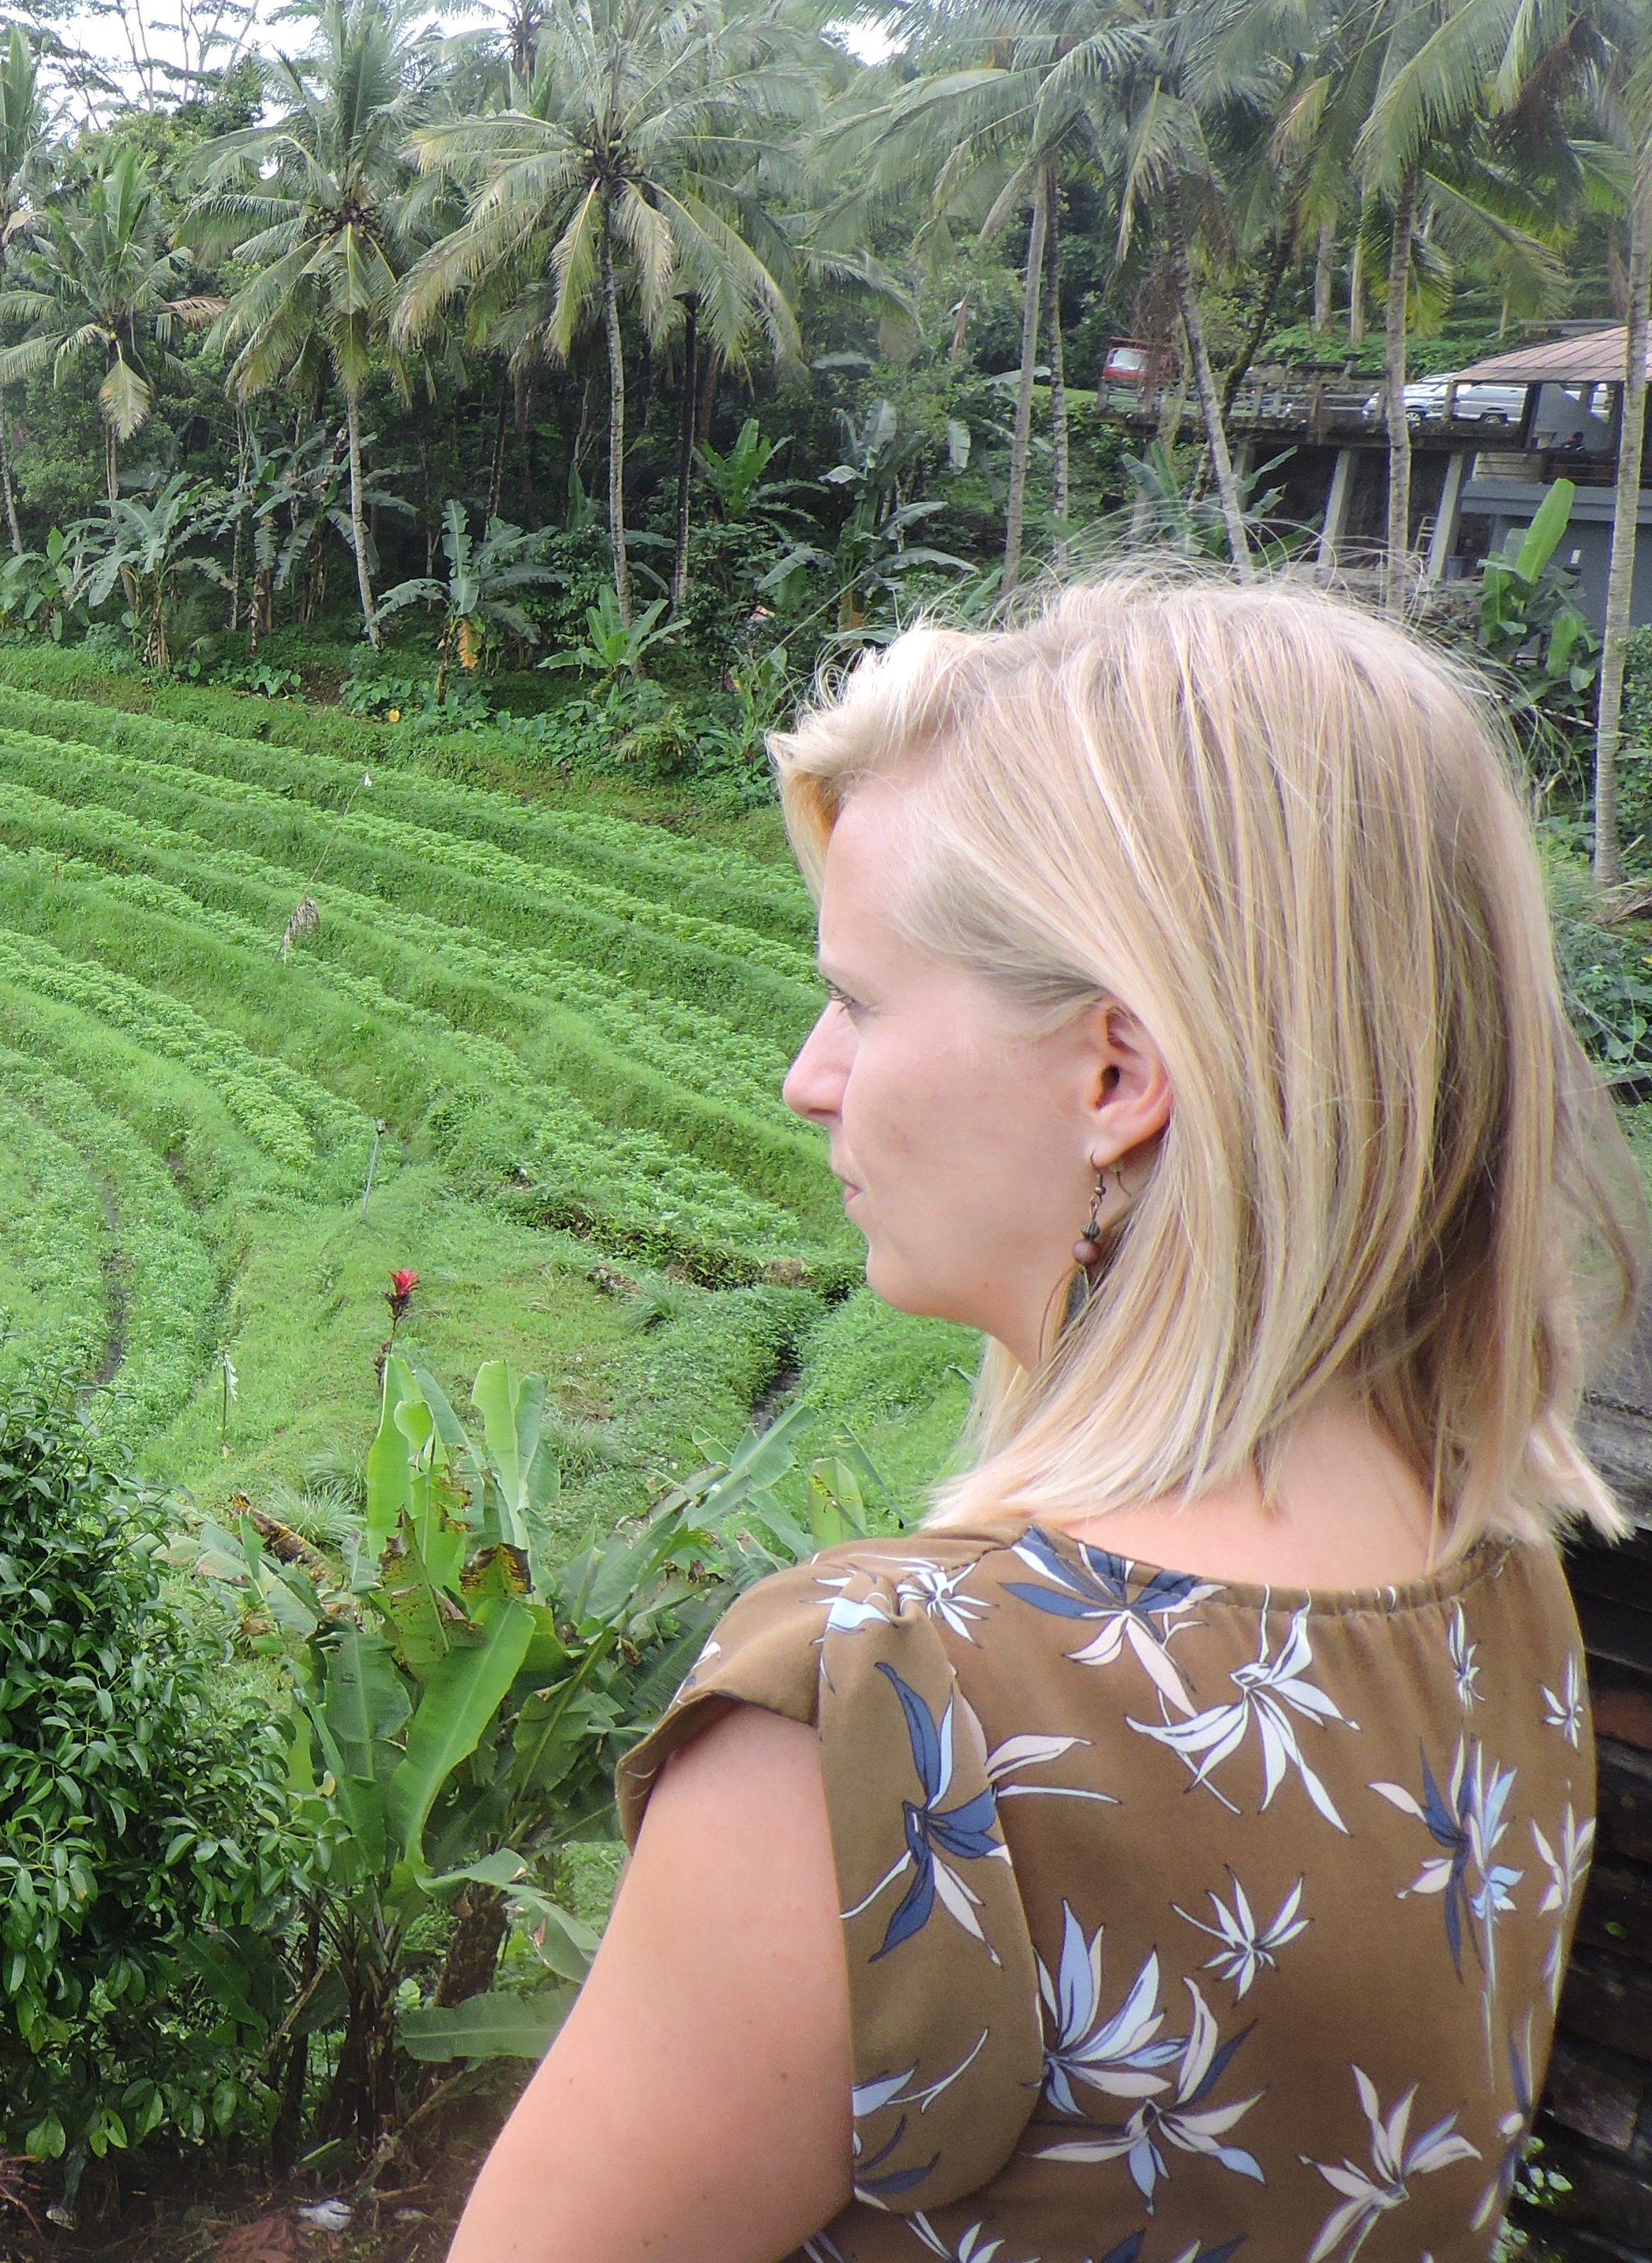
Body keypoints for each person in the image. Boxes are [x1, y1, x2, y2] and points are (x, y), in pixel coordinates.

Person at [451, 575, 1637, 2263]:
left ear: (1114, 1080)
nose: (808, 1076)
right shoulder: (1498, 1598)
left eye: (863, 1001)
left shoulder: (882, 1722)